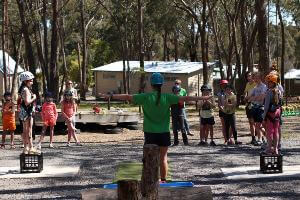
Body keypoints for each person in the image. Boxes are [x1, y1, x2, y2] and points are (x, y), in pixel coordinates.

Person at [99, 73, 212, 183]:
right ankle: (163, 180)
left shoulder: (145, 97)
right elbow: (186, 98)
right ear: (161, 84)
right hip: (164, 133)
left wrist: (111, 96)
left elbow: (128, 96)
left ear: (151, 85)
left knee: (149, 159)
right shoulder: (167, 97)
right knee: (163, 158)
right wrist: (203, 97)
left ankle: (150, 181)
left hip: (150, 133)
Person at [18, 71, 38, 154]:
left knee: (25, 130)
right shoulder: (26, 90)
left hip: (24, 111)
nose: (32, 82)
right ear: (25, 81)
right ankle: (30, 147)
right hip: (27, 111)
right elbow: (27, 102)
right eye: (30, 80)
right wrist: (34, 97)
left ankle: (26, 148)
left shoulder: (23, 89)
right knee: (29, 130)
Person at [262, 74, 282, 155]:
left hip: (270, 114)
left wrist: (263, 117)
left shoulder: (269, 92)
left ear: (272, 83)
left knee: (269, 132)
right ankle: (276, 149)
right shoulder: (279, 91)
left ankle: (269, 148)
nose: (267, 84)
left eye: (268, 82)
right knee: (276, 131)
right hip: (277, 113)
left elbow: (266, 106)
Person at [247, 72, 267, 145]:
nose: (255, 79)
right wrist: (254, 98)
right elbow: (248, 98)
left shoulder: (264, 86)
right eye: (254, 77)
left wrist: (253, 98)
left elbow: (262, 97)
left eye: (257, 77)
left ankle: (263, 139)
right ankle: (262, 139)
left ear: (260, 78)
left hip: (261, 108)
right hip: (255, 108)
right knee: (257, 125)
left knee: (260, 125)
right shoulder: (255, 87)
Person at [243, 71, 258, 145]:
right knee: (251, 123)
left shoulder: (256, 84)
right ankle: (253, 138)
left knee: (258, 123)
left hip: (256, 105)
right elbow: (246, 92)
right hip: (249, 105)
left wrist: (250, 97)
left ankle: (262, 138)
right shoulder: (247, 84)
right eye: (247, 76)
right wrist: (245, 97)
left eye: (250, 75)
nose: (249, 77)